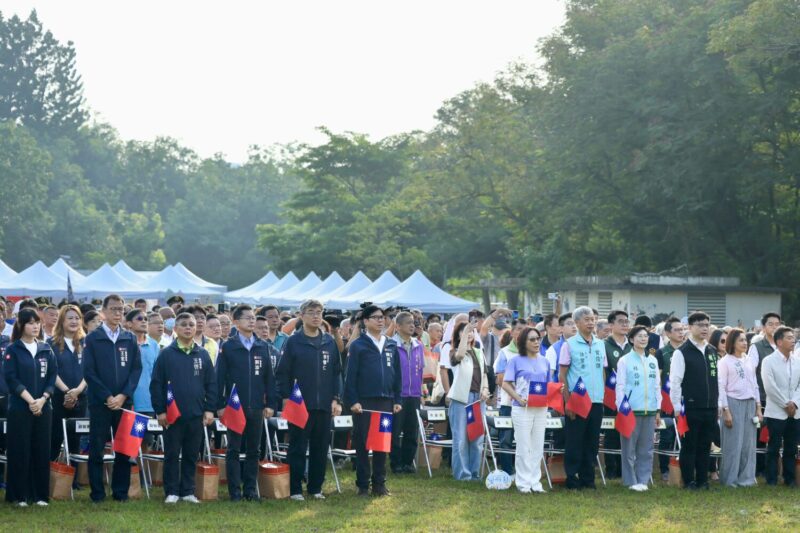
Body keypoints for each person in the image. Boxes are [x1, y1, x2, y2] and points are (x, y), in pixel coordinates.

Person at [275, 299, 343, 501]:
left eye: (319, 312)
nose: (316, 316)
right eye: (311, 312)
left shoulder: (329, 341)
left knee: (320, 448)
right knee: (297, 447)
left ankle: (315, 487)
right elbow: (282, 373)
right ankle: (295, 489)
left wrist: (336, 399)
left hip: (324, 404)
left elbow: (337, 373)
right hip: (300, 404)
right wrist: (286, 397)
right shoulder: (293, 341)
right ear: (302, 315)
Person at [82, 294, 143, 503]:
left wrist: (123, 395)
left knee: (124, 449)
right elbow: (89, 372)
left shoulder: (129, 338)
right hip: (100, 402)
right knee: (97, 449)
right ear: (104, 312)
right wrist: (108, 396)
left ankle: (120, 492)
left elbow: (136, 370)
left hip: (124, 402)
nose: (118, 313)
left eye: (121, 309)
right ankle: (97, 493)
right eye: (114, 309)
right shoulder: (93, 338)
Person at [151, 313, 216, 504]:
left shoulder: (202, 354)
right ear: (176, 329)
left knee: (191, 454)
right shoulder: (166, 354)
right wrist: (160, 410)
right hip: (172, 415)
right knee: (172, 454)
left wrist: (209, 409)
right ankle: (171, 491)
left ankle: (188, 491)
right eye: (184, 325)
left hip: (196, 413)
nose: (188, 328)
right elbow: (156, 384)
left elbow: (211, 384)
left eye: (191, 325)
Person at [216, 304, 279, 501]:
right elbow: (219, 378)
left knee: (254, 449)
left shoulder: (263, 346)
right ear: (236, 322)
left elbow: (270, 379)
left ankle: (250, 490)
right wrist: (219, 405)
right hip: (235, 406)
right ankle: (235, 491)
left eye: (253, 318)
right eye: (247, 318)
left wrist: (271, 404)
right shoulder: (229, 346)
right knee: (234, 449)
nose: (252, 321)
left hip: (257, 406)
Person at [345, 304, 402, 495]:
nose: (380, 321)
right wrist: (353, 400)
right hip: (364, 402)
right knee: (362, 443)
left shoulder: (391, 344)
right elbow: (350, 376)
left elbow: (397, 375)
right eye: (376, 317)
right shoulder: (358, 345)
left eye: (382, 317)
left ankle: (379, 484)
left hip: (386, 401)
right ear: (365, 321)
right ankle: (362, 484)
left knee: (381, 444)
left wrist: (397, 399)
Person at [3, 308, 57, 506]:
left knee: (41, 450)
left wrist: (42, 399)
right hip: (20, 407)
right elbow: (11, 379)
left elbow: (52, 377)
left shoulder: (46, 349)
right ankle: (19, 495)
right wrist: (30, 400)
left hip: (44, 407)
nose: (35, 326)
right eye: (30, 323)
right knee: (20, 450)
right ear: (21, 325)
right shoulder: (13, 349)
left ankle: (40, 495)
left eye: (37, 323)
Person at [558, 306, 607, 490]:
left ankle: (588, 479)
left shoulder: (600, 344)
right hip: (577, 400)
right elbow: (562, 375)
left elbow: (602, 371)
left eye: (593, 319)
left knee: (592, 441)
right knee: (575, 441)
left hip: (596, 400)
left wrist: (602, 394)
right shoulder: (569, 345)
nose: (591, 323)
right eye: (587, 320)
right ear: (577, 323)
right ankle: (572, 478)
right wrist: (567, 401)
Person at [669, 311, 719, 490]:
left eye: (707, 325)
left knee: (705, 445)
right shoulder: (682, 352)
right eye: (700, 325)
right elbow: (675, 381)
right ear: (690, 327)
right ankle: (689, 480)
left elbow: (717, 380)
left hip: (710, 406)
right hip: (690, 407)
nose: (704, 328)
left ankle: (702, 480)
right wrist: (676, 407)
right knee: (690, 445)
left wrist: (719, 404)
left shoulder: (712, 351)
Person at [501, 327, 552, 493]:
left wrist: (556, 390)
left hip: (541, 407)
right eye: (532, 339)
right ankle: (523, 483)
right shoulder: (515, 361)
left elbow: (548, 385)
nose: (536, 342)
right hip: (522, 408)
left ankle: (535, 483)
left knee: (537, 445)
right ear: (523, 342)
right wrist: (517, 398)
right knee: (523, 446)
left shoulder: (545, 361)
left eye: (538, 338)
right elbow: (505, 383)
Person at [615, 325, 660, 491]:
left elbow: (657, 386)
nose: (643, 339)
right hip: (631, 410)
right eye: (639, 336)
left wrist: (658, 409)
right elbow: (620, 386)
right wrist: (622, 408)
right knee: (629, 448)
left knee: (646, 449)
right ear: (632, 339)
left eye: (645, 336)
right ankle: (630, 481)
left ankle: (643, 480)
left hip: (650, 410)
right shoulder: (625, 360)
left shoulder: (653, 360)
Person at [446, 321, 489, 481]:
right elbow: (459, 356)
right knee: (461, 438)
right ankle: (463, 474)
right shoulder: (454, 351)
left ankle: (474, 473)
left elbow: (484, 374)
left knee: (477, 438)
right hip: (461, 398)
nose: (469, 333)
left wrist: (485, 389)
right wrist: (464, 336)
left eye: (471, 331)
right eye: (464, 331)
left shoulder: (479, 352)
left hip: (478, 399)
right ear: (458, 335)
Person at [717, 328, 761, 487]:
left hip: (750, 403)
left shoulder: (749, 360)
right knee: (733, 444)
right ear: (732, 343)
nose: (745, 343)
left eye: (745, 340)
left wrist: (758, 407)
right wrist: (726, 410)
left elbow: (754, 384)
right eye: (741, 340)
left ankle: (746, 479)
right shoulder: (725, 362)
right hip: (733, 403)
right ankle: (730, 479)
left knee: (748, 444)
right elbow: (721, 387)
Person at [48, 305, 87, 467]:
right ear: (62, 321)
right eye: (70, 318)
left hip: (81, 397)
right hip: (58, 397)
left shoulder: (86, 342)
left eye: (77, 318)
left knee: (75, 441)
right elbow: (51, 371)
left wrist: (77, 391)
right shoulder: (51, 343)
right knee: (54, 439)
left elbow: (91, 370)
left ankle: (74, 477)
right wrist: (67, 392)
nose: (74, 321)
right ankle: (50, 476)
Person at [760, 326, 800, 486]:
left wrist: (794, 403)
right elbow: (770, 387)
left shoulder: (797, 361)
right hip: (776, 411)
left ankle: (789, 478)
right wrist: (785, 404)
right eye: (789, 338)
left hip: (795, 411)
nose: (793, 340)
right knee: (773, 447)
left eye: (793, 337)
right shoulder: (768, 361)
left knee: (791, 447)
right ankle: (771, 479)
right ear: (779, 342)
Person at [389, 311, 425, 474]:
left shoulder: (418, 345)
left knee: (412, 430)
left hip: (414, 394)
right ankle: (396, 463)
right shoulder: (391, 345)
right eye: (408, 322)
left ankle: (408, 462)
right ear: (398, 326)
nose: (412, 325)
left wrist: (422, 391)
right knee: (395, 431)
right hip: (398, 395)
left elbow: (420, 370)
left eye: (413, 322)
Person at [654, 317, 685, 479]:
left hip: (685, 400)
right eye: (677, 330)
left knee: (684, 435)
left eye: (682, 329)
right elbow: (657, 378)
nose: (681, 333)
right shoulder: (662, 353)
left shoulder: (687, 350)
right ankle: (665, 469)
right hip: (667, 400)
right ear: (668, 333)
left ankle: (682, 467)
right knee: (667, 436)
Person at [603, 310, 632, 479]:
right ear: (611, 325)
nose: (624, 325)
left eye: (626, 321)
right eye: (620, 321)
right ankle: (611, 469)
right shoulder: (603, 345)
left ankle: (625, 468)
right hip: (610, 396)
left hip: (630, 396)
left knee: (627, 430)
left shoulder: (632, 346)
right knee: (612, 432)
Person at [492, 317, 518, 476]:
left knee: (523, 440)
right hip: (508, 403)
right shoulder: (505, 353)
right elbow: (500, 379)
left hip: (528, 405)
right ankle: (508, 471)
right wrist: (517, 393)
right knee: (506, 439)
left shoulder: (533, 353)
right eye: (519, 330)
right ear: (513, 332)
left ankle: (521, 471)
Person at [129, 310, 160, 420]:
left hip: (149, 401)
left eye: (146, 319)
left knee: (148, 432)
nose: (144, 321)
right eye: (139, 319)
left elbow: (157, 375)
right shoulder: (124, 343)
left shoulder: (154, 345)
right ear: (129, 323)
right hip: (127, 401)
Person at [545, 313, 577, 382]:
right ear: (561, 328)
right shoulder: (553, 349)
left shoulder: (585, 345)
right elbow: (549, 376)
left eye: (575, 323)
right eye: (569, 324)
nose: (574, 326)